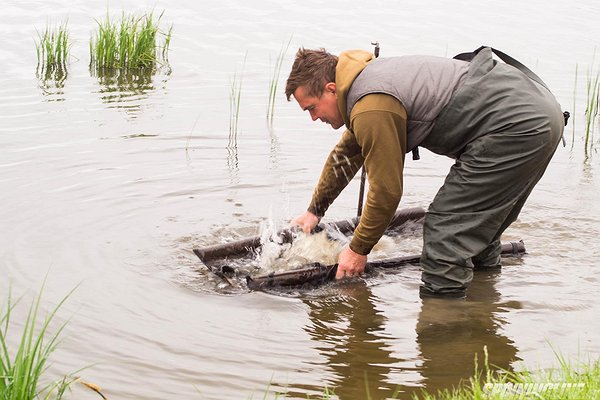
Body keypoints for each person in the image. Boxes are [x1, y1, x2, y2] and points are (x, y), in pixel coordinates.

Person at [285, 46, 565, 298]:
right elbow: (347, 153)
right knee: (478, 229)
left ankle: (443, 335)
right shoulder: (366, 84)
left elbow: (386, 192)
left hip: (516, 127)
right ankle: (483, 313)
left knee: (446, 231)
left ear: (332, 89)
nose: (313, 117)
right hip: (538, 113)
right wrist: (314, 212)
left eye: (312, 107)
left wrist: (358, 250)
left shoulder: (370, 105)